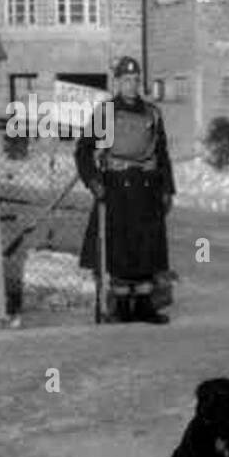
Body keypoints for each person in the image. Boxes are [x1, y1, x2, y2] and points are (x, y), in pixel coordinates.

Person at [76, 56, 175, 324]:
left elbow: (162, 152)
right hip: (117, 188)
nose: (131, 85)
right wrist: (94, 181)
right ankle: (120, 307)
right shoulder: (106, 112)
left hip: (147, 188)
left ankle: (144, 305)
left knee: (146, 248)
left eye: (135, 80)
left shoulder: (152, 113)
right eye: (126, 80)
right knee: (120, 249)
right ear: (118, 82)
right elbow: (84, 150)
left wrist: (167, 188)